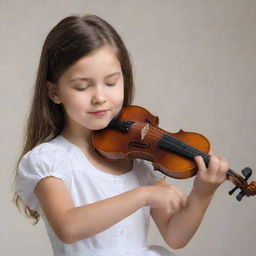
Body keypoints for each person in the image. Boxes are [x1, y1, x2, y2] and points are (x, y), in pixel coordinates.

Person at [14, 14, 229, 256]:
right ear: (55, 91)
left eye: (111, 82)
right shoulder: (49, 161)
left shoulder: (140, 159)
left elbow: (175, 236)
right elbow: (68, 227)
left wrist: (202, 193)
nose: (100, 97)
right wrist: (143, 195)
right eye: (83, 86)